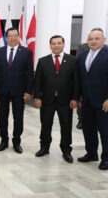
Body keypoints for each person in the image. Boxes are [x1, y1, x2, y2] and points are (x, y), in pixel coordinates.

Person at [33, 35, 79, 163]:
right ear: (50, 45)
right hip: (47, 100)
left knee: (66, 126)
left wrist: (75, 98)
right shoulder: (43, 61)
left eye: (59, 43)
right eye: (53, 43)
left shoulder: (72, 60)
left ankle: (66, 150)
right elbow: (37, 82)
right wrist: (37, 97)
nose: (56, 45)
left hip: (65, 101)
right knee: (46, 125)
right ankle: (44, 147)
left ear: (64, 44)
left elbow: (76, 81)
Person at [0, 27, 33, 154]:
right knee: (2, 117)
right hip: (3, 90)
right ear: (6, 37)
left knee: (18, 117)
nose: (12, 38)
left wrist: (28, 91)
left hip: (19, 91)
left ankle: (17, 141)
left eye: (15, 35)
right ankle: (4, 140)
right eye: (10, 36)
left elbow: (30, 73)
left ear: (19, 36)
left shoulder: (26, 52)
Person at [77, 28, 108, 170]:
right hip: (87, 101)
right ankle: (91, 153)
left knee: (105, 131)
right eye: (90, 39)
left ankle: (106, 158)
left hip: (104, 102)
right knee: (88, 129)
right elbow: (80, 79)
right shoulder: (82, 56)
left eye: (97, 38)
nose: (93, 41)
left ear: (104, 40)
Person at [75, 42, 89, 130]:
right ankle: (81, 120)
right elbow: (78, 62)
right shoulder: (82, 47)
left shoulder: (105, 50)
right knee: (81, 102)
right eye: (91, 38)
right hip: (83, 80)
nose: (93, 41)